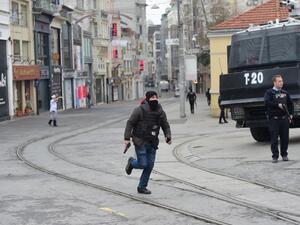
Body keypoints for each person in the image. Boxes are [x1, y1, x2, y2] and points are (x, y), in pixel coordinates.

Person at [124, 91, 172, 194]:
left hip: (153, 142)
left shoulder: (160, 112)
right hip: (140, 141)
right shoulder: (139, 110)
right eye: (152, 97)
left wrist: (168, 136)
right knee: (143, 164)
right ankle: (132, 163)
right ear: (147, 99)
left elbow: (165, 125)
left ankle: (142, 186)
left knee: (149, 165)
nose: (154, 99)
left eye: (156, 97)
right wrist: (127, 138)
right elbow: (130, 123)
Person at [264, 74, 294, 163]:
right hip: (274, 119)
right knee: (274, 138)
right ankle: (275, 156)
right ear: (274, 82)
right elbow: (267, 102)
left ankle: (284, 154)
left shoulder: (285, 93)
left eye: (282, 81)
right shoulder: (269, 92)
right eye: (279, 81)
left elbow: (291, 104)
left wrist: (291, 114)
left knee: (285, 138)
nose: (281, 83)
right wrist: (277, 105)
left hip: (284, 119)